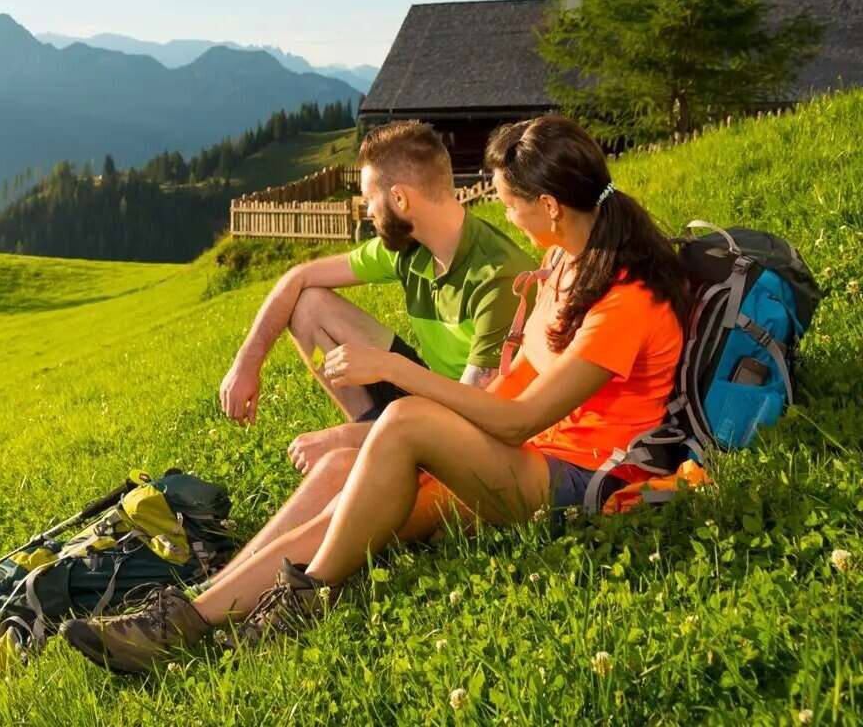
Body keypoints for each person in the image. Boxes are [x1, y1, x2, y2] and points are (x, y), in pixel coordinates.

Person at [62, 114, 688, 674]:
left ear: (549, 206)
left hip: (576, 480)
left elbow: (519, 420)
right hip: (526, 461)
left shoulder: (626, 303)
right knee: (345, 468)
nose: (504, 214)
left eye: (509, 202)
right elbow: (516, 384)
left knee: (406, 423)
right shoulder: (561, 268)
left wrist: (395, 370)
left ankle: (290, 607)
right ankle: (197, 611)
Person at [219, 120, 534, 479]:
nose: (367, 211)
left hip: (468, 424)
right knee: (308, 306)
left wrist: (343, 439)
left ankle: (371, 446)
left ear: (400, 198)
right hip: (425, 393)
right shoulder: (409, 248)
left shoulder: (499, 277)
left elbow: (474, 417)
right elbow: (299, 277)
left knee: (345, 454)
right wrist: (247, 362)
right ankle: (372, 435)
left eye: (370, 199)